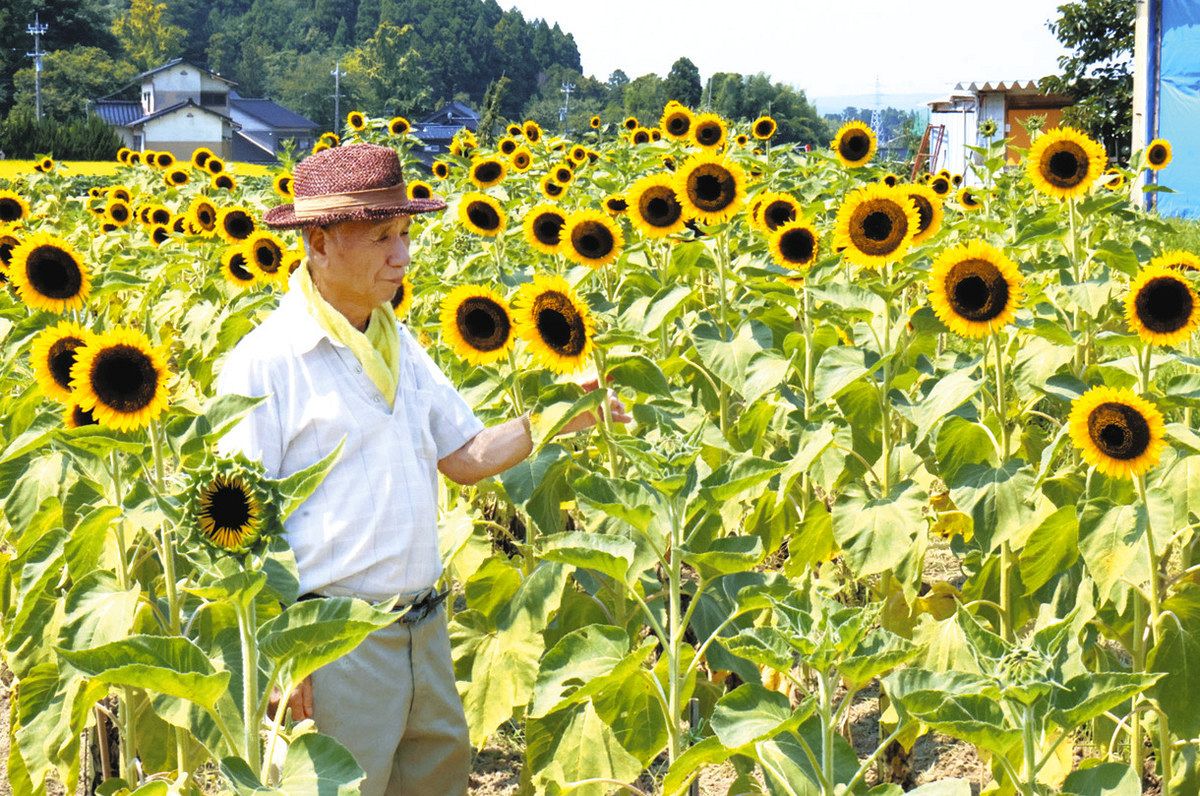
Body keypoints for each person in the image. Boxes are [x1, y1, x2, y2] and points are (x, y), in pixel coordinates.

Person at [214, 142, 630, 796]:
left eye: (405, 233)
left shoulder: (396, 340)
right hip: (335, 651)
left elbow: (465, 457)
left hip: (426, 632)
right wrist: (280, 653)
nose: (402, 255)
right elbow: (236, 525)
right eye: (382, 236)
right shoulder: (266, 364)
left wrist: (560, 417)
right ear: (318, 243)